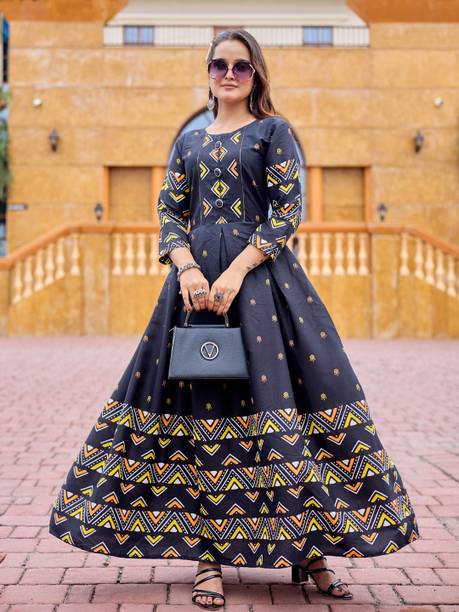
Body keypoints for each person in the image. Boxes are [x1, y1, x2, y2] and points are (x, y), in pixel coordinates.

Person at [49, 28, 420, 610]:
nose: (228, 74)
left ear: (255, 74)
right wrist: (187, 267)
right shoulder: (189, 141)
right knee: (205, 411)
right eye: (218, 64)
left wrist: (235, 271)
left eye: (240, 66)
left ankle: (311, 550)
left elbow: (286, 211)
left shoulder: (273, 132)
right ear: (207, 71)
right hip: (193, 292)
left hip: (264, 292)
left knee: (288, 408)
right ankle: (209, 559)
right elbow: (169, 212)